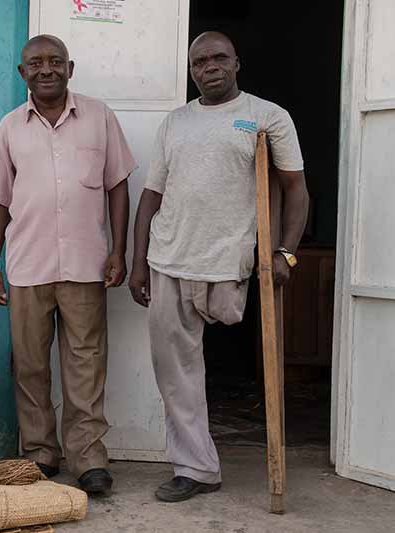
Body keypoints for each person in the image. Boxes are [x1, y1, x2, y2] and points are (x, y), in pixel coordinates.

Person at [129, 31, 309, 503]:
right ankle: (196, 468)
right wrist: (138, 262)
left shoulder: (265, 116)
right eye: (198, 61)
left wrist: (286, 252)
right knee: (176, 369)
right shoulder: (175, 122)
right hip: (169, 256)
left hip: (230, 259)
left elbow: (295, 188)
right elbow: (152, 195)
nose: (208, 67)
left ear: (236, 63)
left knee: (224, 347)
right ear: (191, 70)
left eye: (217, 58)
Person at [0, 35, 136, 495]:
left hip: (87, 263)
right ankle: (39, 454)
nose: (45, 69)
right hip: (27, 264)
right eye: (35, 63)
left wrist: (118, 250)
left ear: (70, 67)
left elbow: (118, 186)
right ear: (21, 73)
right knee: (29, 365)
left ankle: (88, 458)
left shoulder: (99, 117)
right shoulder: (9, 128)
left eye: (54, 62)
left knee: (86, 363)